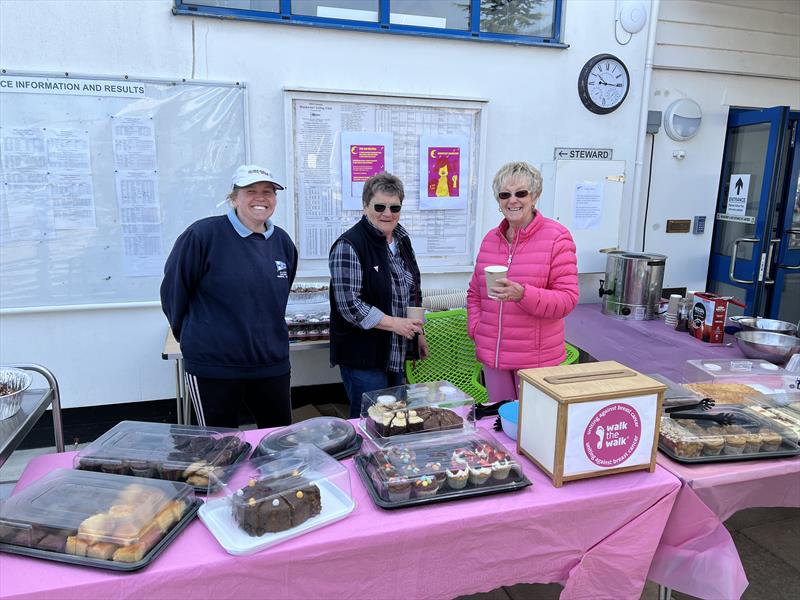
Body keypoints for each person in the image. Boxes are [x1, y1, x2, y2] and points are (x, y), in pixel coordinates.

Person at [160, 164, 298, 429]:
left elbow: (276, 297)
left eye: (268, 192)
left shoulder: (282, 242)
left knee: (279, 443)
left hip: (271, 365)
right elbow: (173, 293)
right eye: (251, 191)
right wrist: (191, 338)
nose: (261, 198)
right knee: (218, 449)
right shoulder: (202, 236)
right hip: (214, 366)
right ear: (234, 198)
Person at [467, 161, 579, 403]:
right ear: (498, 200)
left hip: (536, 361)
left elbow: (568, 300)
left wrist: (523, 295)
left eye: (521, 193)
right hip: (494, 357)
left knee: (532, 431)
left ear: (535, 195)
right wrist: (477, 329)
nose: (512, 200)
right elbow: (474, 293)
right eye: (505, 194)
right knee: (500, 424)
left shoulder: (557, 237)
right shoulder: (490, 239)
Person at [329, 172, 428, 418]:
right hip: (364, 357)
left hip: (396, 351)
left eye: (395, 207)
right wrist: (395, 324)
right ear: (365, 206)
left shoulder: (402, 240)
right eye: (380, 206)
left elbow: (412, 290)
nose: (388, 213)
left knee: (396, 420)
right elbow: (350, 305)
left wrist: (418, 333)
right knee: (370, 420)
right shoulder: (349, 245)